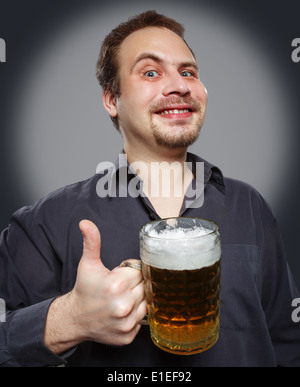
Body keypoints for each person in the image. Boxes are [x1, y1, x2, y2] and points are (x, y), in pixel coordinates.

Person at [0, 10, 299, 367]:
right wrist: (68, 320)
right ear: (112, 100)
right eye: (151, 72)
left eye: (188, 72)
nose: (180, 85)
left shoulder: (250, 205)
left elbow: (287, 341)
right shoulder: (45, 221)